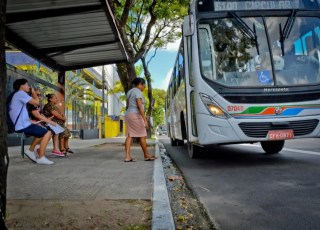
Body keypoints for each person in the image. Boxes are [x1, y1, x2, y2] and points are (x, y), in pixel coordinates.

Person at [9, 79, 54, 165]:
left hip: (22, 124)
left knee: (41, 132)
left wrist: (30, 121)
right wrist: (33, 92)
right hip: (21, 126)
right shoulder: (20, 93)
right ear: (22, 86)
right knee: (48, 133)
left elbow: (18, 113)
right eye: (27, 85)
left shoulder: (16, 95)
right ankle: (41, 157)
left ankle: (30, 150)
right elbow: (37, 103)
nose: (29, 87)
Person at [124, 77, 157, 162]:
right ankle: (146, 155)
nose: (144, 87)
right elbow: (139, 106)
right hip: (136, 115)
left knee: (129, 135)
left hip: (128, 114)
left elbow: (127, 105)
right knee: (142, 135)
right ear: (140, 84)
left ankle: (127, 157)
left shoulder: (129, 92)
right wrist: (145, 119)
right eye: (144, 85)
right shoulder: (138, 92)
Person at [27, 89, 65, 157]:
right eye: (37, 95)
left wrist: (47, 119)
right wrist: (49, 121)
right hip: (32, 123)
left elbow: (40, 115)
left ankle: (42, 151)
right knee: (47, 132)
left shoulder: (37, 105)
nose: (39, 97)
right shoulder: (31, 104)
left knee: (53, 130)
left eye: (40, 95)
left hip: (39, 122)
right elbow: (37, 116)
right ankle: (34, 151)